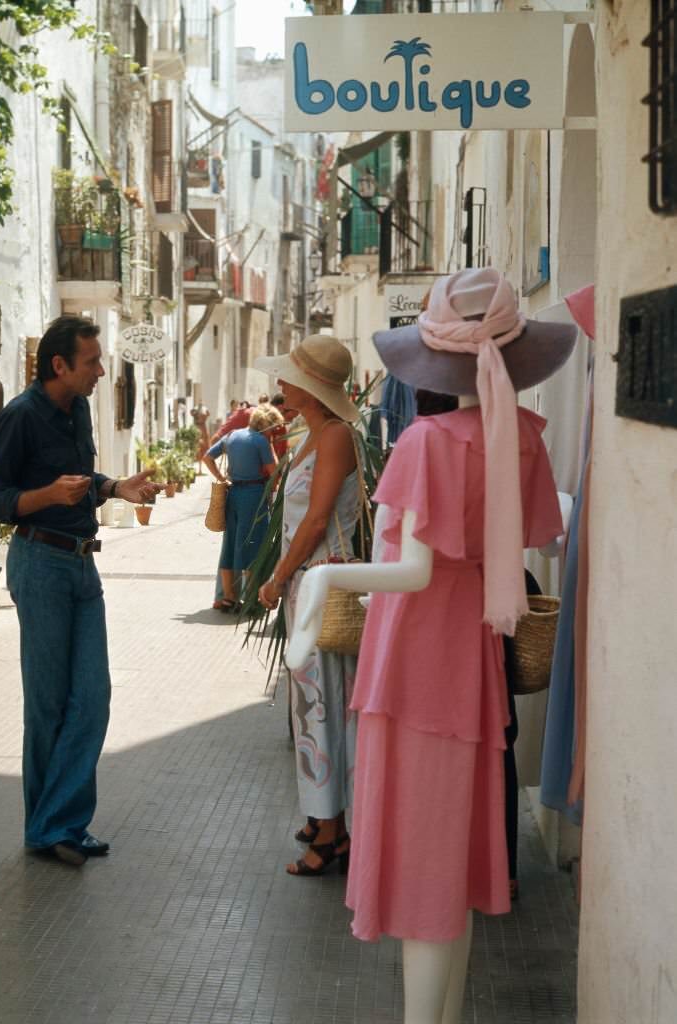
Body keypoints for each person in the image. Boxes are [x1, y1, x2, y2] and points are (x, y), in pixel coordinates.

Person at [284, 269, 576, 1023]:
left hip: (414, 666)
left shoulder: (426, 440)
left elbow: (411, 571)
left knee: (422, 867)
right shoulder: (524, 441)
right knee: (450, 860)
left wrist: (320, 586)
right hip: (469, 663)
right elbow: (532, 541)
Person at [0, 315, 162, 867]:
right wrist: (46, 496)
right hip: (39, 563)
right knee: (48, 703)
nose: (101, 372)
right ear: (59, 365)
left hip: (83, 566)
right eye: (91, 363)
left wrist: (116, 487)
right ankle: (51, 827)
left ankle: (58, 822)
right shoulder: (19, 417)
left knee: (93, 698)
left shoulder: (78, 409)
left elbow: (82, 483)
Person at [254, 335, 363, 876]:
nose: (279, 383)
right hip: (309, 584)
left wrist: (278, 576)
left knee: (323, 702)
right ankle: (324, 818)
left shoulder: (335, 436)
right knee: (311, 702)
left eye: (288, 376)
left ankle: (332, 829)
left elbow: (317, 521)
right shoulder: (313, 432)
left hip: (320, 581)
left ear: (312, 388)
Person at [202, 403, 281, 611]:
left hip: (233, 494)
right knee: (253, 545)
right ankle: (251, 596)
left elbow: (207, 457)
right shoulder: (260, 441)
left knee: (229, 545)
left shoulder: (232, 436)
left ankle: (229, 597)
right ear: (267, 424)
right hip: (254, 496)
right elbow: (274, 473)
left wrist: (221, 478)